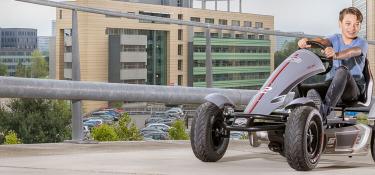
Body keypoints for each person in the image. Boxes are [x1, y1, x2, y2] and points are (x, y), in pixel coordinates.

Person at [297, 7, 368, 121]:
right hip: (332, 85)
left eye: (356, 24)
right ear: (340, 24)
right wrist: (307, 42)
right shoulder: (335, 38)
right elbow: (323, 41)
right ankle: (294, 123)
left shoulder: (362, 43)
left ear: (360, 25)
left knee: (342, 70)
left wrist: (336, 54)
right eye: (348, 23)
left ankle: (322, 115)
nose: (352, 28)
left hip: (352, 91)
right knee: (304, 89)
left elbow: (352, 52)